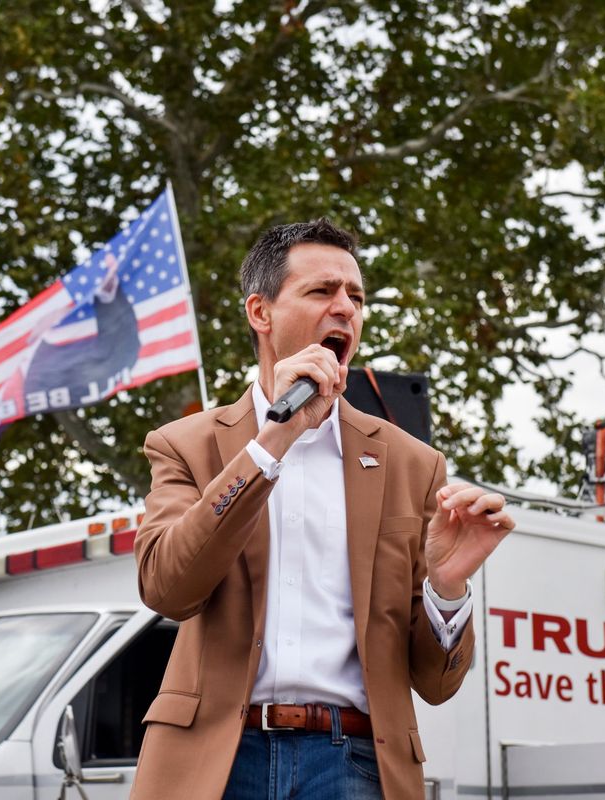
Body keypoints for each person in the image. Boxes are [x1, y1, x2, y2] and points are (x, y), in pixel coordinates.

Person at [131, 219, 514, 800]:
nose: (346, 309)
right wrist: (272, 440)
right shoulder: (185, 444)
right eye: (321, 292)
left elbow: (435, 683)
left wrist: (446, 587)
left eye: (355, 297)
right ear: (261, 312)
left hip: (353, 763)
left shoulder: (412, 464)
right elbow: (167, 588)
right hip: (216, 762)